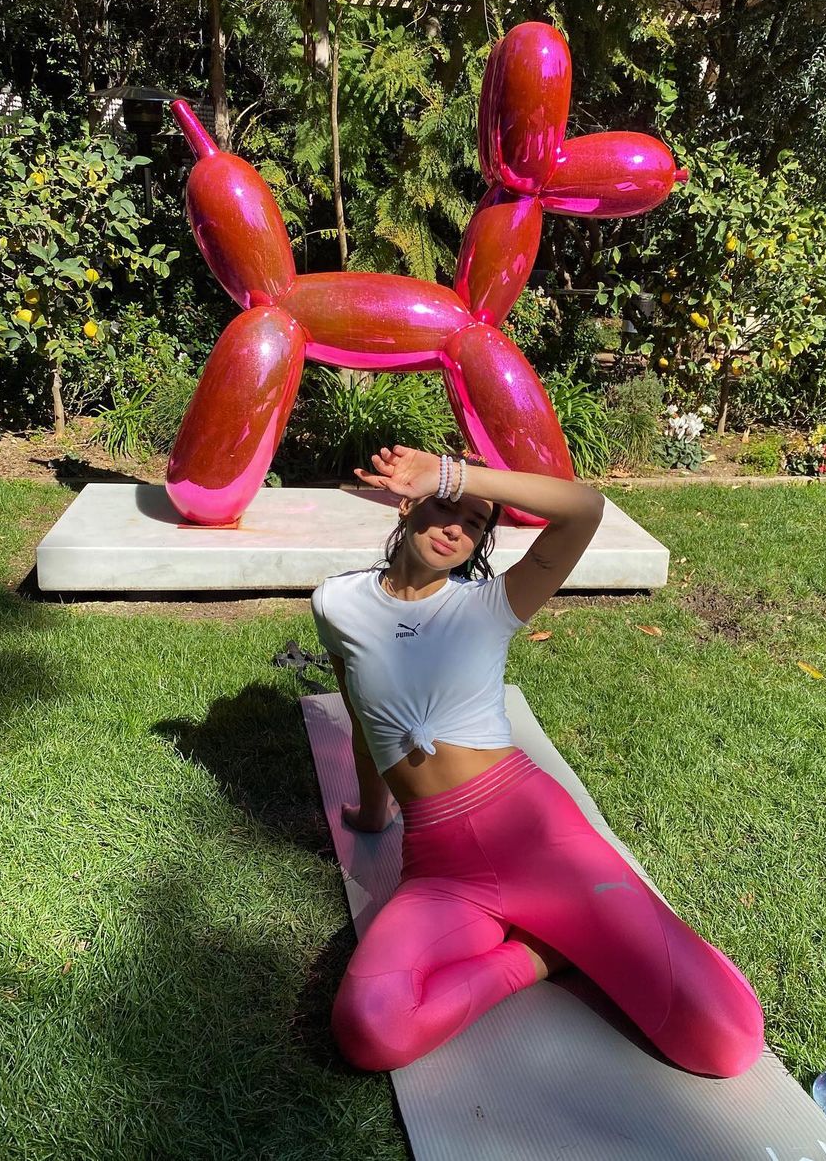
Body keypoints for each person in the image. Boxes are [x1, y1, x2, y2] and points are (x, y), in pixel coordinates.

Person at [311, 445, 764, 1076]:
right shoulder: (337, 603)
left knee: (726, 1043)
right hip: (443, 867)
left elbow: (585, 508)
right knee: (370, 1028)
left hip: (539, 839)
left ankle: (591, 931)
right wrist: (371, 811)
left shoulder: (489, 605)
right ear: (407, 507)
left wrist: (451, 476)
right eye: (444, 509)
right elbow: (363, 718)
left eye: (475, 522)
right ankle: (540, 955)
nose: (456, 529)